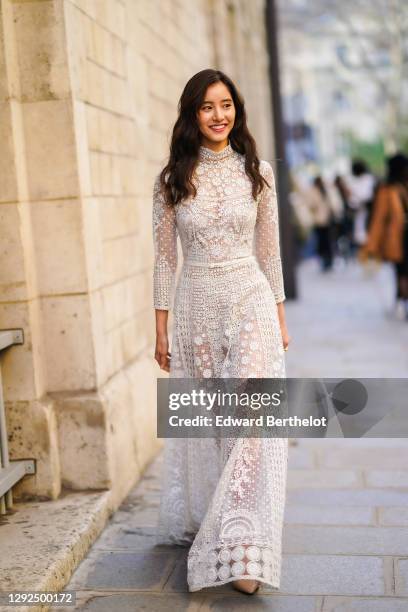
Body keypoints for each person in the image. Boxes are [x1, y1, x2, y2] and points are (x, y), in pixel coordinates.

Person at [152, 69, 290, 595]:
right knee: (220, 427)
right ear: (192, 114)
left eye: (226, 104)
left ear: (237, 109)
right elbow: (165, 262)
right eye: (207, 107)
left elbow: (269, 252)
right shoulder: (172, 179)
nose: (219, 115)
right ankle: (224, 524)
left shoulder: (259, 172)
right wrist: (160, 328)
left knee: (253, 420)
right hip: (197, 309)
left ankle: (242, 548)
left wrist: (279, 316)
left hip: (250, 300)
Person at [359, 153, 408, 319]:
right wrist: (371, 246)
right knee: (402, 272)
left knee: (402, 273)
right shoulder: (386, 190)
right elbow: (379, 220)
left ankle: (400, 299)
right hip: (398, 240)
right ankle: (404, 301)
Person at [306, 176, 337, 271]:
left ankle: (329, 261)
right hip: (319, 221)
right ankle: (324, 261)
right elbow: (310, 205)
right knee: (321, 242)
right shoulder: (313, 191)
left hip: (328, 220)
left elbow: (332, 203)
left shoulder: (326, 190)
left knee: (328, 241)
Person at [347, 159, 376, 251]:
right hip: (364, 214)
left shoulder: (368, 180)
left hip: (368, 213)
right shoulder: (370, 179)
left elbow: (355, 200)